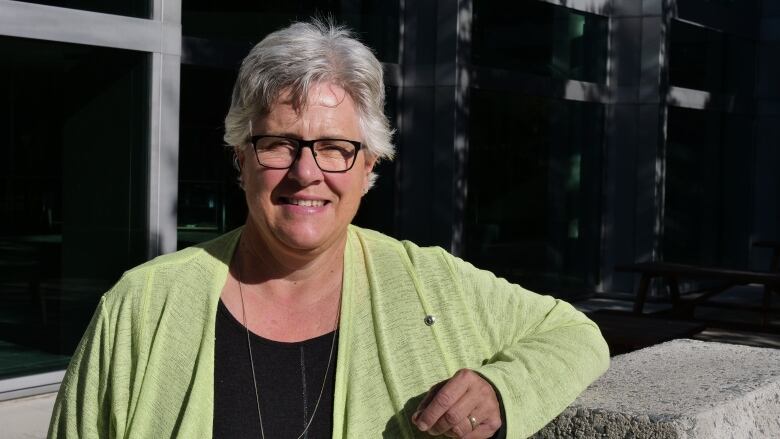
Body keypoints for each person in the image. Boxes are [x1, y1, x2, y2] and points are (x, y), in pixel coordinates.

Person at [48, 19, 609, 439]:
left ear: (368, 166)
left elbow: (576, 334)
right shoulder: (143, 306)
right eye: (277, 144)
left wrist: (503, 390)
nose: (305, 172)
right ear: (240, 159)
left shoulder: (429, 283)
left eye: (335, 148)